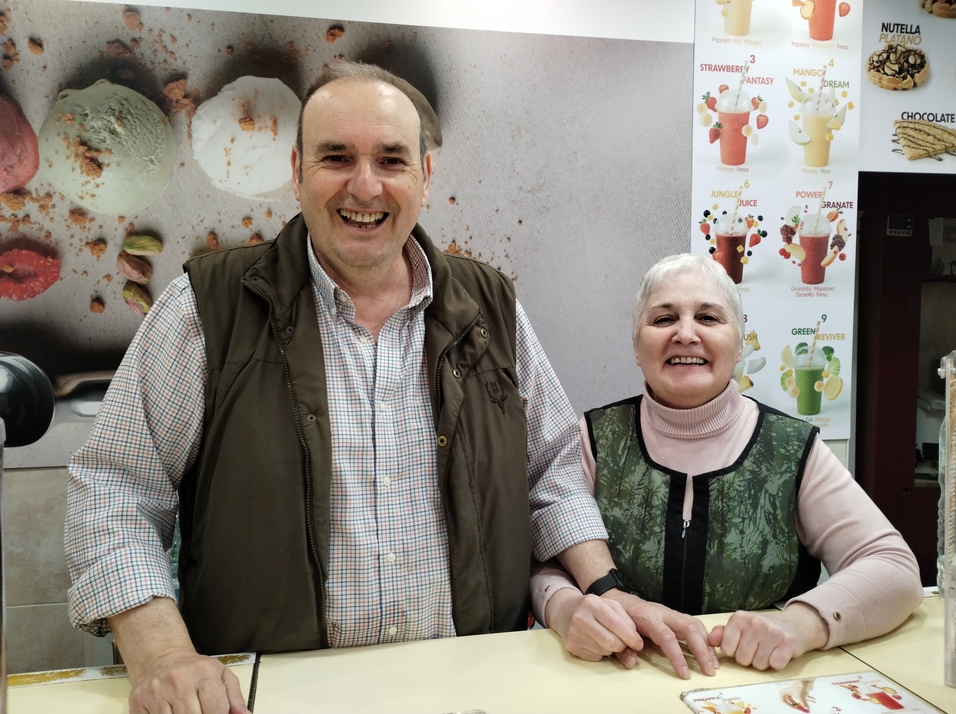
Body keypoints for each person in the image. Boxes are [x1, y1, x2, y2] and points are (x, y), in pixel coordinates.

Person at [64, 64, 713, 714]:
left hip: (471, 686)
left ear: (425, 177)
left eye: (391, 160)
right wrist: (163, 655)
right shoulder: (206, 308)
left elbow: (551, 471)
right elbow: (116, 490)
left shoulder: (489, 307)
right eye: (336, 157)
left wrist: (602, 586)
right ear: (296, 172)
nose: (365, 185)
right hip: (276, 694)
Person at [531, 253, 923, 672]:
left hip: (753, 686)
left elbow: (894, 569)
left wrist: (801, 624)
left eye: (709, 318)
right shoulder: (592, 438)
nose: (685, 334)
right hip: (619, 680)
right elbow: (543, 563)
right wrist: (564, 607)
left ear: (739, 345)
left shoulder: (791, 447)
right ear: (636, 347)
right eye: (663, 319)